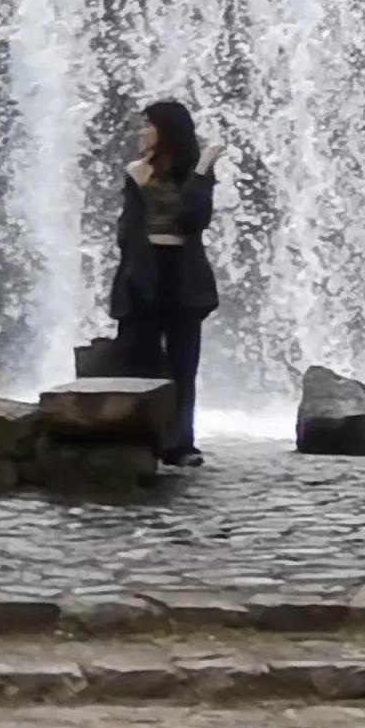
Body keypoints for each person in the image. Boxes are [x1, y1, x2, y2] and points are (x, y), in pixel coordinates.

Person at [109, 97, 217, 467]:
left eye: (149, 125)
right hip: (144, 270)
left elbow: (192, 218)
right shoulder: (135, 172)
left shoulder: (194, 175)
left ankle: (180, 442)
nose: (142, 132)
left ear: (167, 131)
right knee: (140, 358)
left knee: (183, 363)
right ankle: (141, 437)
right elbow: (127, 229)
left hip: (183, 274)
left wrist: (204, 169)